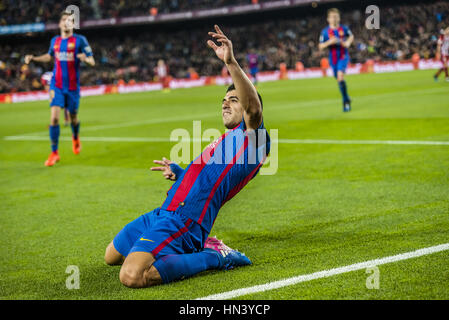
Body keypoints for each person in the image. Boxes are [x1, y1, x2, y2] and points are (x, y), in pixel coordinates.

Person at [104, 25, 270, 288]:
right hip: (165, 212)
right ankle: (199, 247)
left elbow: (254, 107)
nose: (226, 103)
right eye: (224, 100)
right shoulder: (224, 140)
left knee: (132, 276)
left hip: (187, 220)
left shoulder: (254, 139)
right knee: (111, 256)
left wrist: (231, 62)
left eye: (234, 99)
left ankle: (214, 256)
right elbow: (206, 179)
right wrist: (180, 173)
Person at [25, 11, 95, 166]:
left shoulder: (80, 40)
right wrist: (34, 58)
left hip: (72, 87)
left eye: (69, 20)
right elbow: (49, 56)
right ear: (59, 24)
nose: (66, 22)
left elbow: (92, 61)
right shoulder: (55, 41)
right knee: (54, 118)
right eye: (63, 20)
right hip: (56, 85)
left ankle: (75, 137)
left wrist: (85, 58)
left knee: (73, 117)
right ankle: (54, 153)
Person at [319, 8, 354, 112]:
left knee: (340, 76)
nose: (334, 19)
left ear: (339, 18)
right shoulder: (325, 32)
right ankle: (347, 97)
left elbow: (351, 36)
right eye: (332, 17)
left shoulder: (344, 28)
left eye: (336, 16)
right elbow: (320, 46)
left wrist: (347, 43)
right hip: (333, 58)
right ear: (328, 19)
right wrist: (330, 42)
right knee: (338, 79)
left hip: (343, 56)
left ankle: (345, 102)